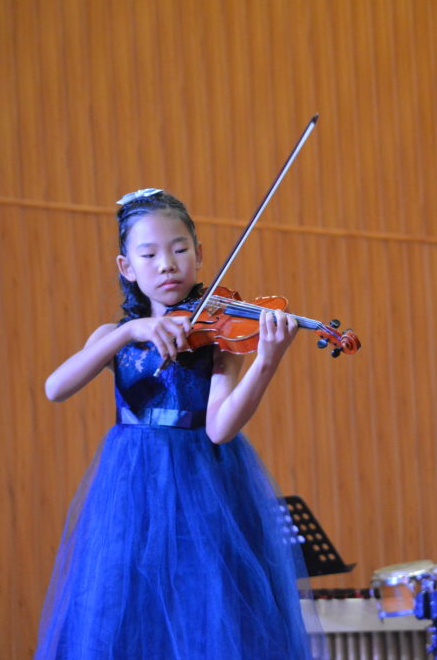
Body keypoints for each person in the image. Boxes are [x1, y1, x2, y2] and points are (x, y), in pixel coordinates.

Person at [35, 188, 323, 659]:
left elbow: (220, 429)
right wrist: (130, 331)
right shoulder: (113, 337)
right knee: (128, 614)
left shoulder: (219, 336)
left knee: (207, 611)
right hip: (130, 490)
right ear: (126, 267)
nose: (167, 264)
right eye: (149, 254)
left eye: (180, 249)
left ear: (200, 254)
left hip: (205, 490)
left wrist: (267, 360)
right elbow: (55, 388)